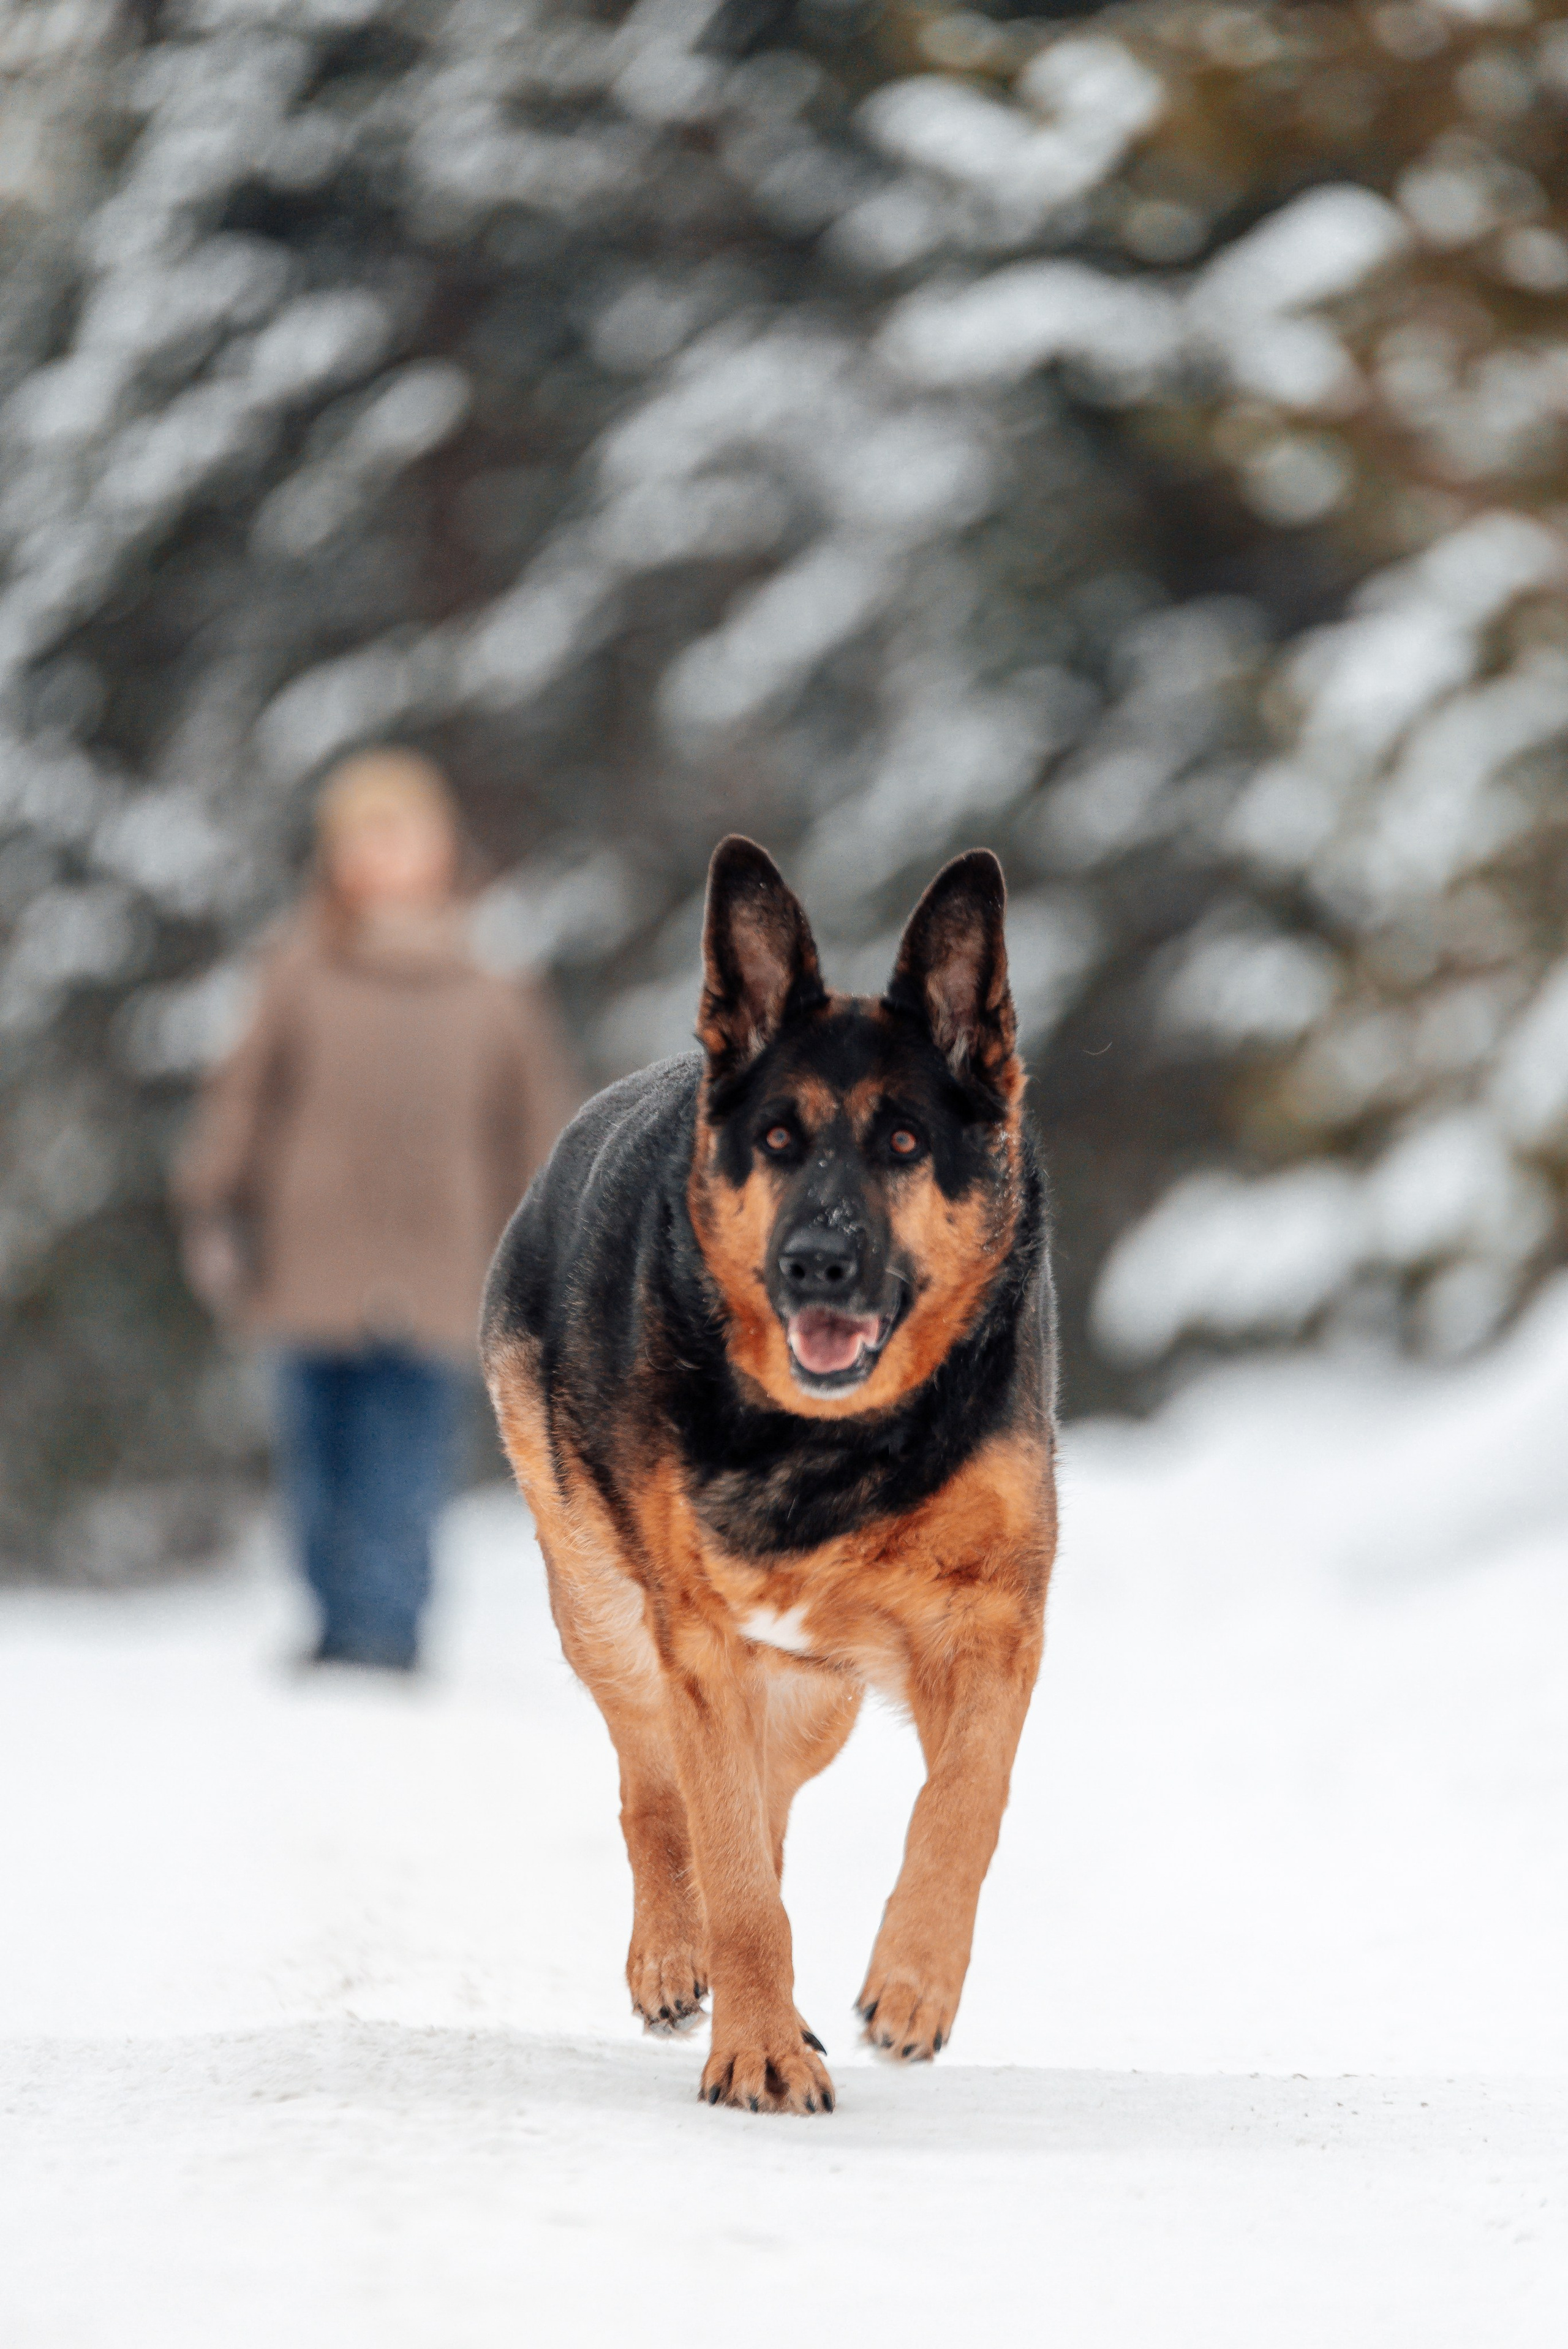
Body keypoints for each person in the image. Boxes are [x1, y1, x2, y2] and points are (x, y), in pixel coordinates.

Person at [174, 747, 578, 1671]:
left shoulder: (494, 989)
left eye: (404, 834)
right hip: (306, 1258)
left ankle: (388, 1629)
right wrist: (216, 1205)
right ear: (336, 857)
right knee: (316, 1456)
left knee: (405, 1457)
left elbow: (536, 1128)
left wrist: (550, 1244)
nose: (385, 855)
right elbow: (241, 1100)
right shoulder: (296, 972)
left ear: (443, 851)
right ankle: (331, 1619)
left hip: (441, 1263)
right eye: (366, 836)